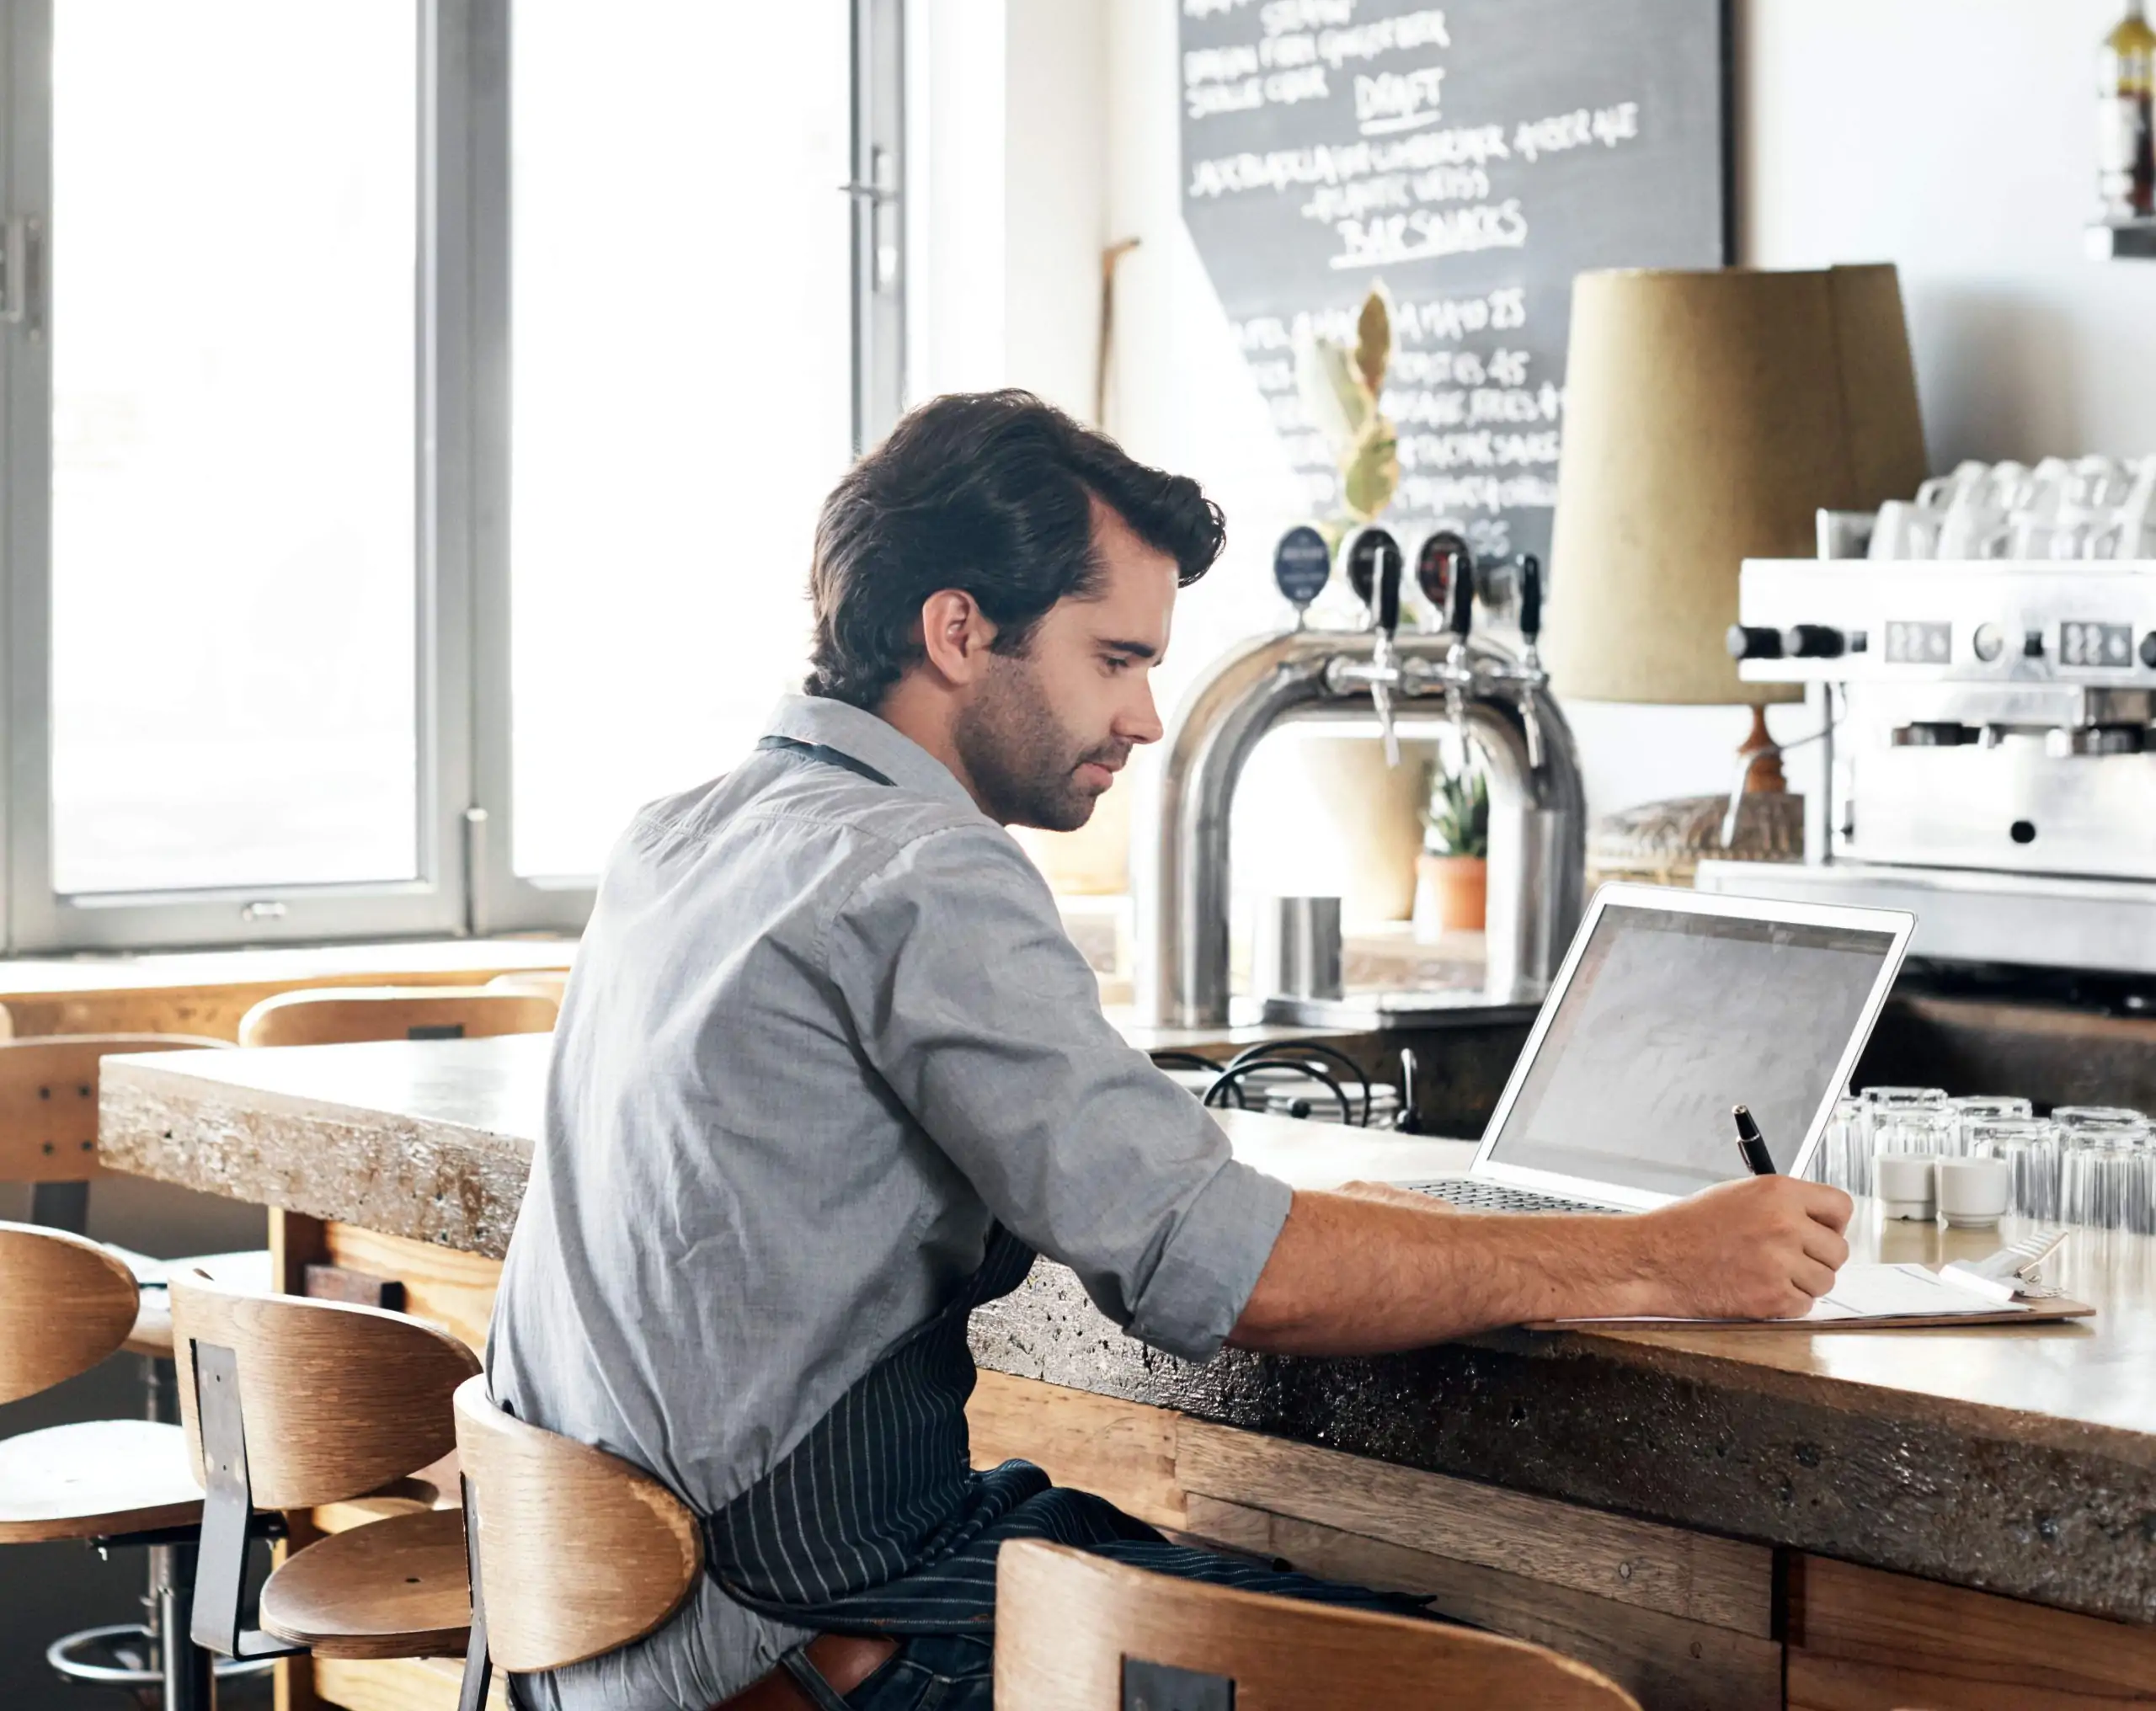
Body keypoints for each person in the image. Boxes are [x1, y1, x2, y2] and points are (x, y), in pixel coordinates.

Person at [487, 391, 1851, 1711]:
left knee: (1259, 1596)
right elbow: (1225, 1277)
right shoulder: (921, 872)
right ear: (960, 631)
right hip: (804, 1648)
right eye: (1117, 660)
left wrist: (1355, 1234)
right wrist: (1668, 1255)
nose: (1143, 718)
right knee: (1488, 1683)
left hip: (601, 1644)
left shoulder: (682, 832)